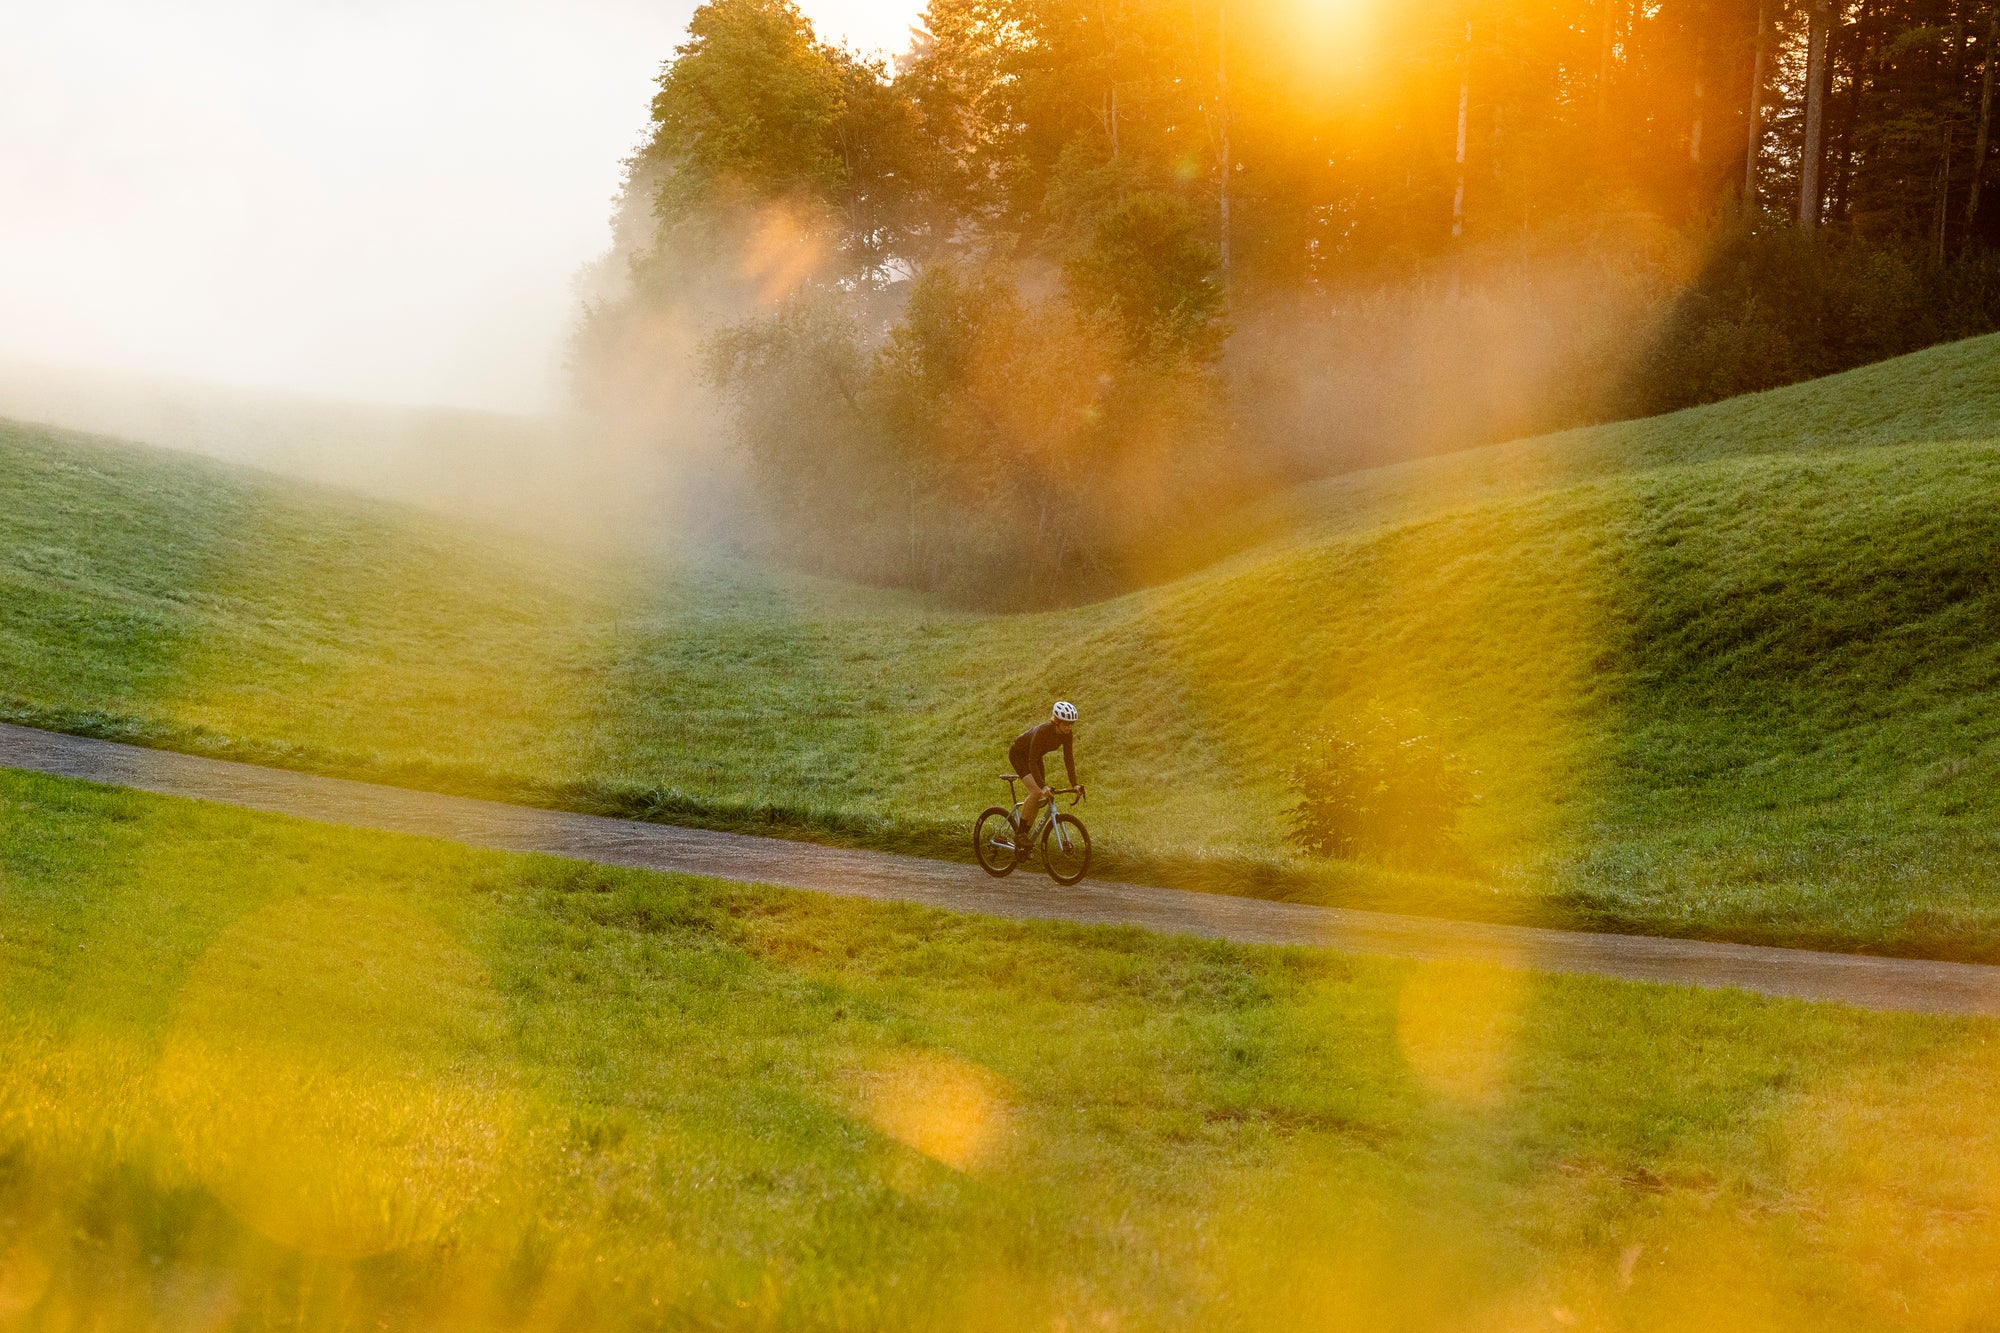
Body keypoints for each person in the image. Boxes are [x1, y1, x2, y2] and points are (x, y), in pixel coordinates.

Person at [1009, 701, 1083, 845]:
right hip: (1019, 755)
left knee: (1041, 798)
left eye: (1071, 724)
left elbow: (1068, 759)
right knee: (1036, 792)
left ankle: (1025, 836)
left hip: (1035, 758)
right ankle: (1019, 834)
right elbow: (1031, 761)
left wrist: (1074, 784)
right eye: (1065, 724)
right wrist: (1042, 786)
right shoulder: (1042, 731)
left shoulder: (1067, 735)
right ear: (1056, 721)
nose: (1068, 727)